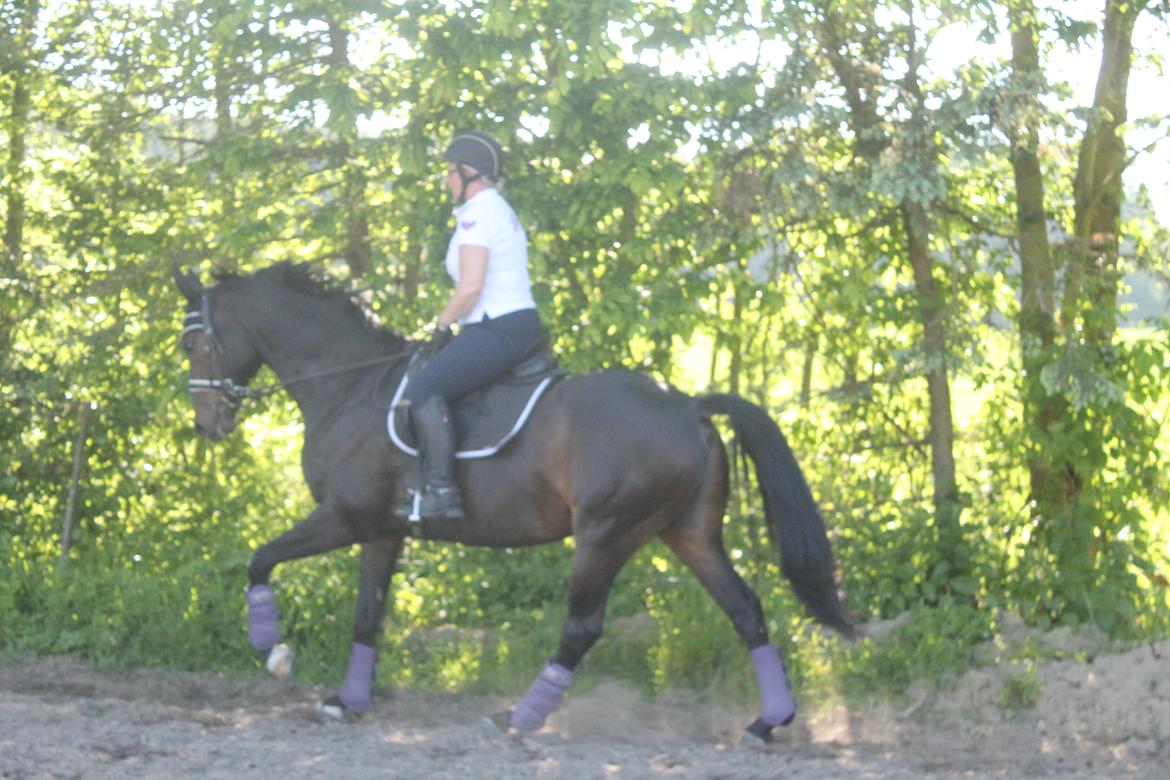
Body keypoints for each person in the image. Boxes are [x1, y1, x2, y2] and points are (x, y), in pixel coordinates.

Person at [395, 130, 544, 522]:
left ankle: (443, 490)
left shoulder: (478, 215)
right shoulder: (495, 209)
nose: (446, 179)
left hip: (497, 326)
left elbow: (471, 286)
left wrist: (441, 326)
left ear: (468, 173)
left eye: (449, 171)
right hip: (508, 323)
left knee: (423, 388)